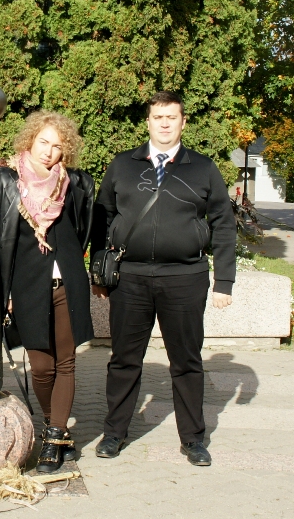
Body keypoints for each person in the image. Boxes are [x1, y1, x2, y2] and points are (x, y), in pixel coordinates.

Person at [91, 91, 236, 466]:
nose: (165, 123)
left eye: (172, 117)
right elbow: (102, 218)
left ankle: (193, 439)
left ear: (183, 122)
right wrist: (99, 271)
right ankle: (114, 433)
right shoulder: (123, 165)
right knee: (124, 359)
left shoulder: (202, 168)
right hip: (131, 278)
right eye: (158, 117)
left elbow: (223, 223)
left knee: (186, 362)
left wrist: (224, 281)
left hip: (185, 278)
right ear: (148, 121)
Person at [0, 111, 95, 473]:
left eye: (57, 146)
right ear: (30, 141)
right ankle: (61, 431)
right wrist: (3, 290)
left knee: (65, 362)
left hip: (67, 282)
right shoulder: (6, 180)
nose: (49, 152)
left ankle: (52, 437)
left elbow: (82, 231)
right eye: (43, 143)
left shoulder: (76, 183)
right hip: (26, 286)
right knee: (40, 366)